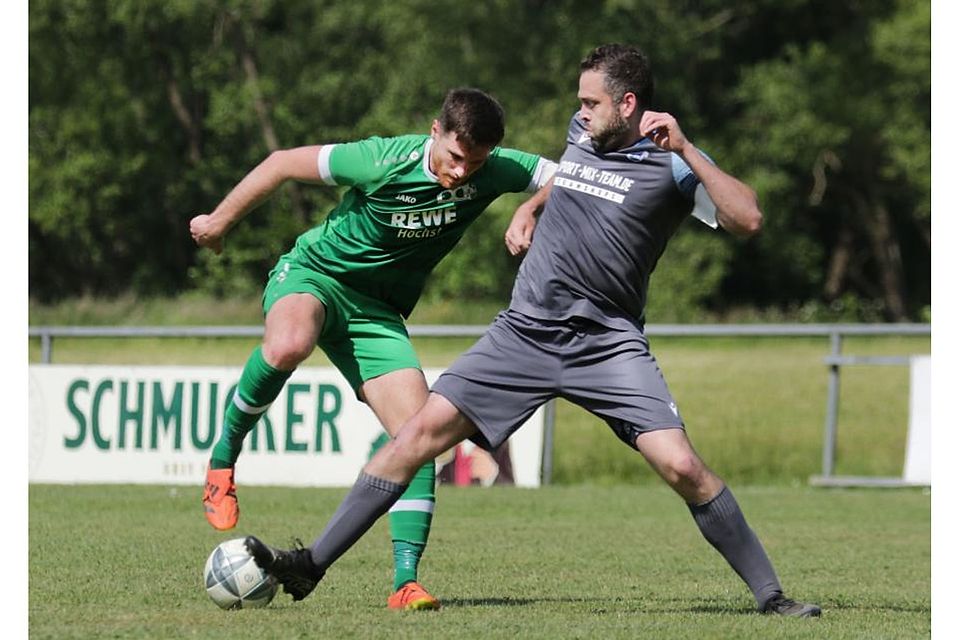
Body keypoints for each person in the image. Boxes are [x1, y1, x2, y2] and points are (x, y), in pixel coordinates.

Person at [242, 44, 821, 618]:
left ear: (628, 102)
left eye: (592, 102)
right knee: (415, 437)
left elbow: (748, 218)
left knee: (682, 467)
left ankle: (772, 597)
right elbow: (574, 177)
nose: (581, 111)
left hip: (606, 343)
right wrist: (533, 206)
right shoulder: (583, 132)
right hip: (523, 333)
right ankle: (308, 566)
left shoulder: (670, 160)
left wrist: (690, 149)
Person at [189, 88, 557, 610]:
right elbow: (280, 164)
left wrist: (531, 205)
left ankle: (405, 584)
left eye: (474, 163)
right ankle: (223, 460)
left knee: (419, 435)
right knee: (290, 343)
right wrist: (218, 222)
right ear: (435, 131)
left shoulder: (495, 169)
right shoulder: (381, 158)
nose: (462, 173)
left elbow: (570, 177)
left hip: (376, 314)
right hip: (315, 276)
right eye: (454, 157)